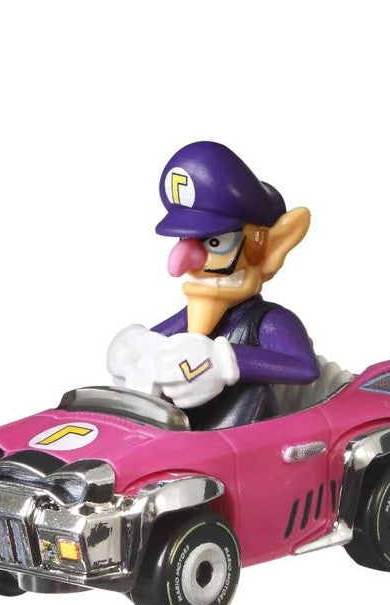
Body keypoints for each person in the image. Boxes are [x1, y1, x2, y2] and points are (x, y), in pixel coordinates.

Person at [107, 141, 320, 429]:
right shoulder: (194, 320)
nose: (182, 264)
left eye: (216, 243)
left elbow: (305, 367)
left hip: (248, 434)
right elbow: (159, 341)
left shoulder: (268, 321)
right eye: (185, 240)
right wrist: (137, 346)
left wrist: (225, 361)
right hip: (189, 431)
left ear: (271, 247)